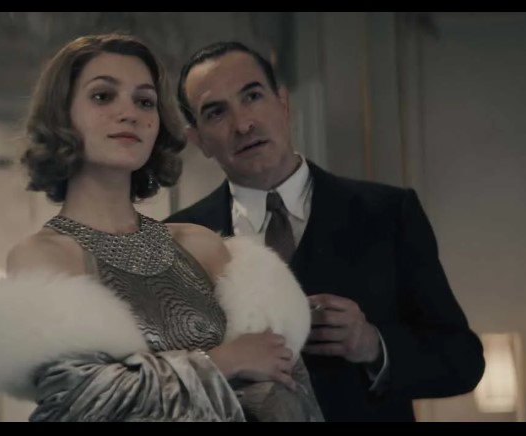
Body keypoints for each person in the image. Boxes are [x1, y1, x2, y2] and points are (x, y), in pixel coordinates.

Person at [0, 34, 323, 422]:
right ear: (62, 116)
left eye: (144, 101)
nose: (130, 113)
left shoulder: (200, 245)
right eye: (103, 96)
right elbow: (82, 402)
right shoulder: (45, 256)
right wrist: (223, 362)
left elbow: (287, 386)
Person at [165, 41, 485, 422]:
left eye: (252, 96)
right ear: (198, 140)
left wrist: (373, 344)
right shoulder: (177, 241)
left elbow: (463, 360)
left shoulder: (388, 213)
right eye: (216, 112)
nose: (243, 124)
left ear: (283, 103)